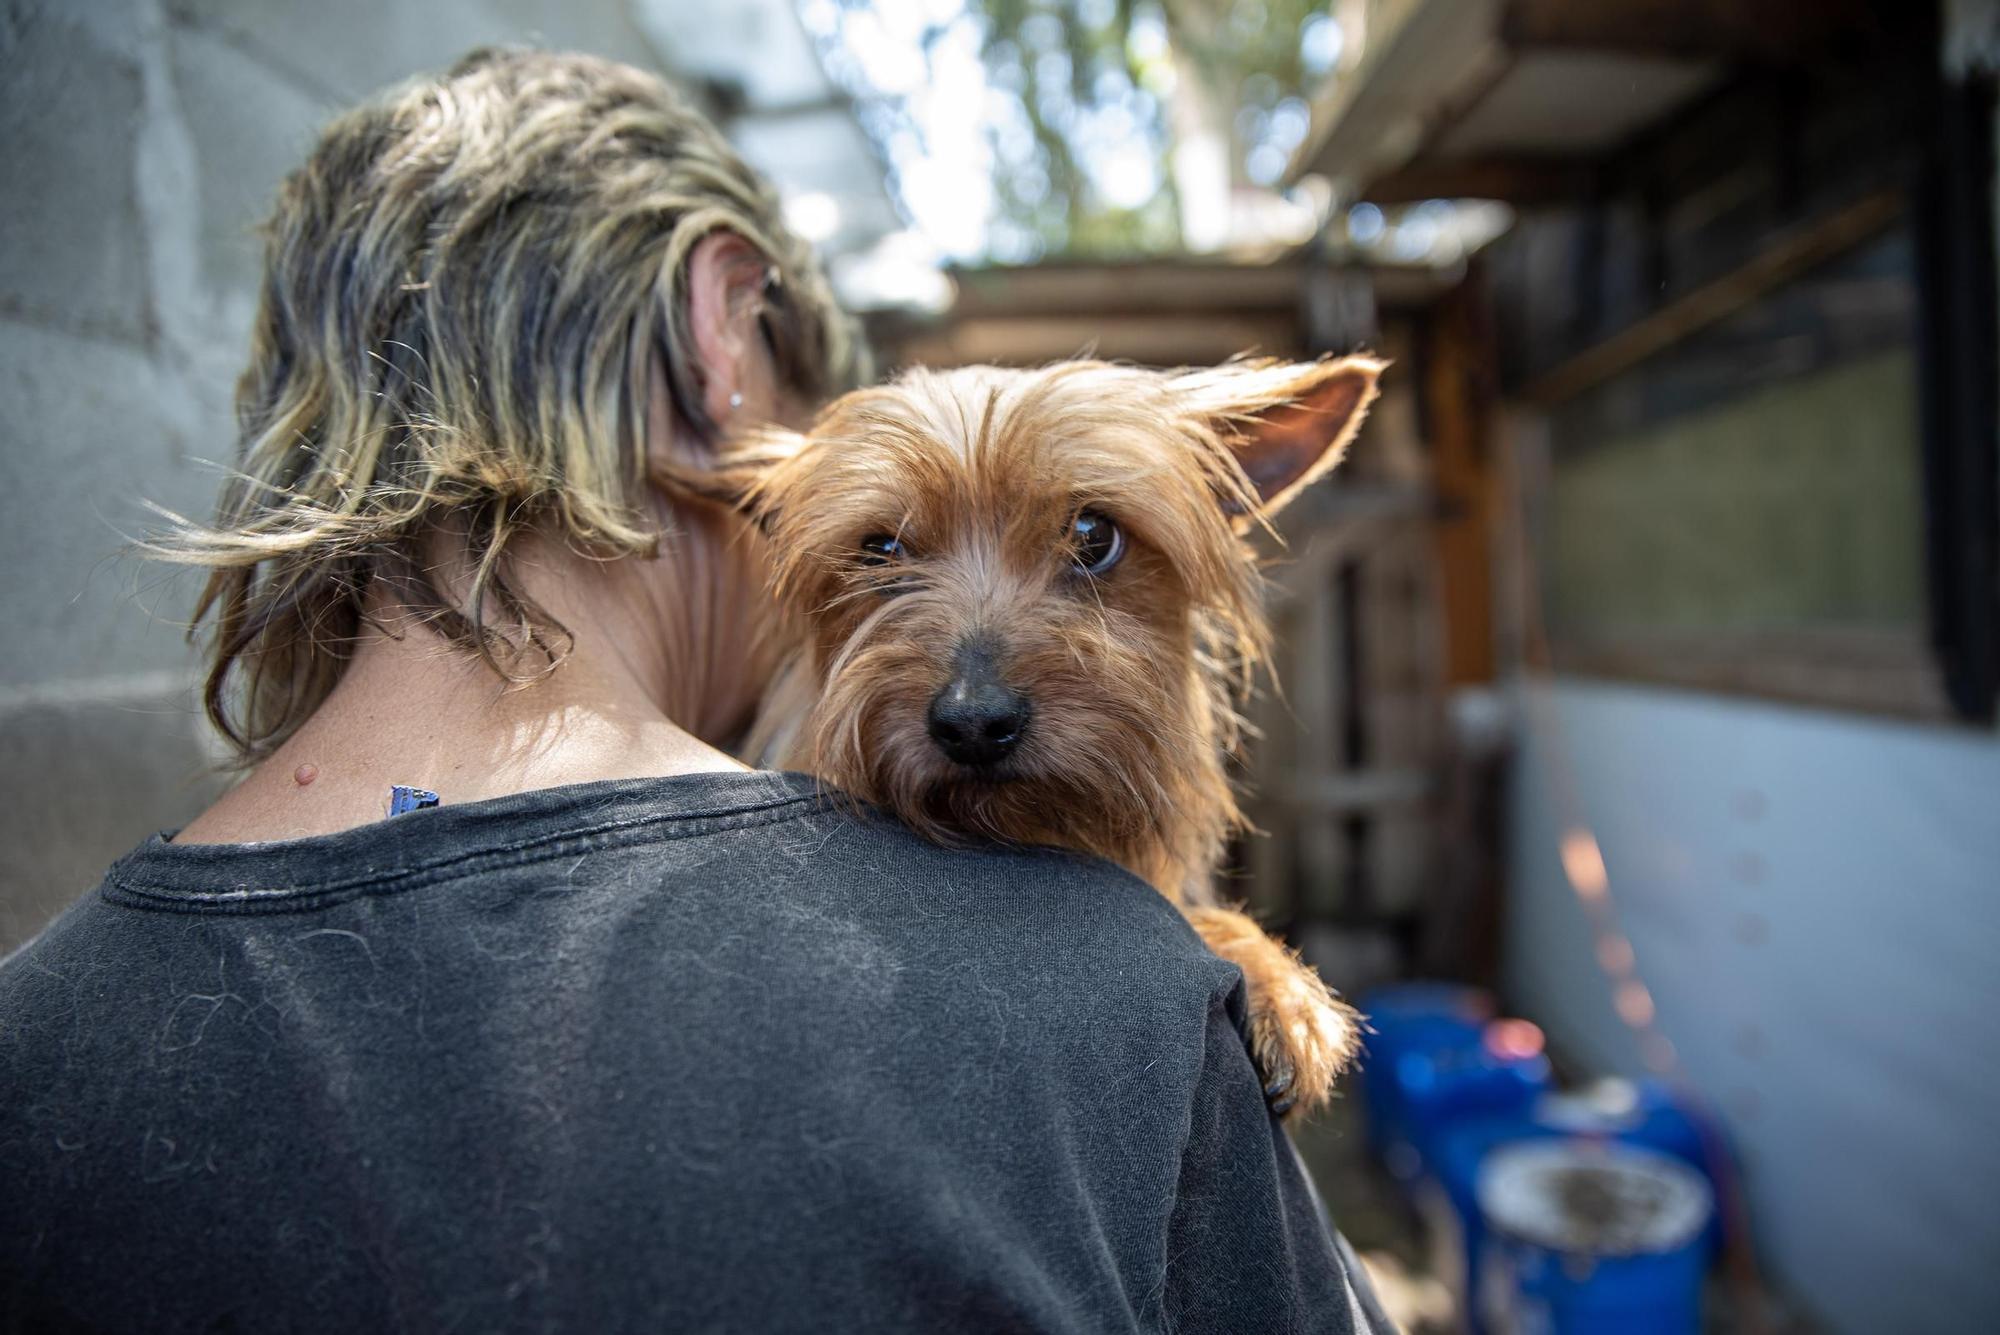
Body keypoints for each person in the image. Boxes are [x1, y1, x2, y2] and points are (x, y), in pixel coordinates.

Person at [0, 49, 1393, 1334]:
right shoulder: (1115, 1001)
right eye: (869, 551)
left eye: (1086, 546)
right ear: (723, 343)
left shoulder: (37, 1056)